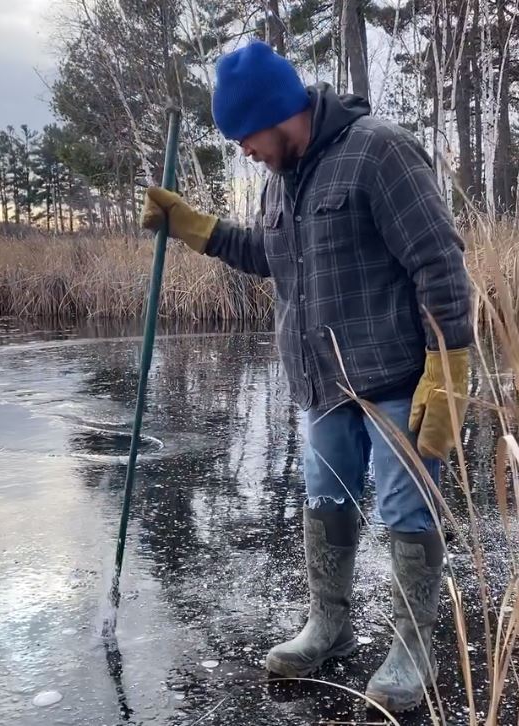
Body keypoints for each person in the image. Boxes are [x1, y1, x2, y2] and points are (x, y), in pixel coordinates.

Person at [141, 40, 472, 713]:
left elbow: (439, 258)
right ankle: (330, 623)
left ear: (278, 113)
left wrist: (449, 365)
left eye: (246, 135)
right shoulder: (281, 180)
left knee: (405, 509)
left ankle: (414, 647)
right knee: (325, 503)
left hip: (397, 376)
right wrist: (194, 227)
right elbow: (274, 256)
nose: (243, 150)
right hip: (321, 385)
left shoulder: (379, 150)